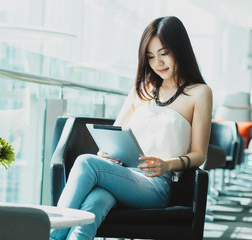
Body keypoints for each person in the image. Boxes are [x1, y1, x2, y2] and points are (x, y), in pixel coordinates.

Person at [50, 16, 212, 240]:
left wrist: (167, 164)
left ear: (180, 49)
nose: (158, 63)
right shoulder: (141, 89)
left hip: (156, 185)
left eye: (164, 53)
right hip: (122, 174)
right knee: (93, 204)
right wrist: (106, 155)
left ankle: (50, 236)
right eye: (151, 57)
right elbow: (113, 135)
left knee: (85, 162)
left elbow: (199, 154)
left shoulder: (199, 93)